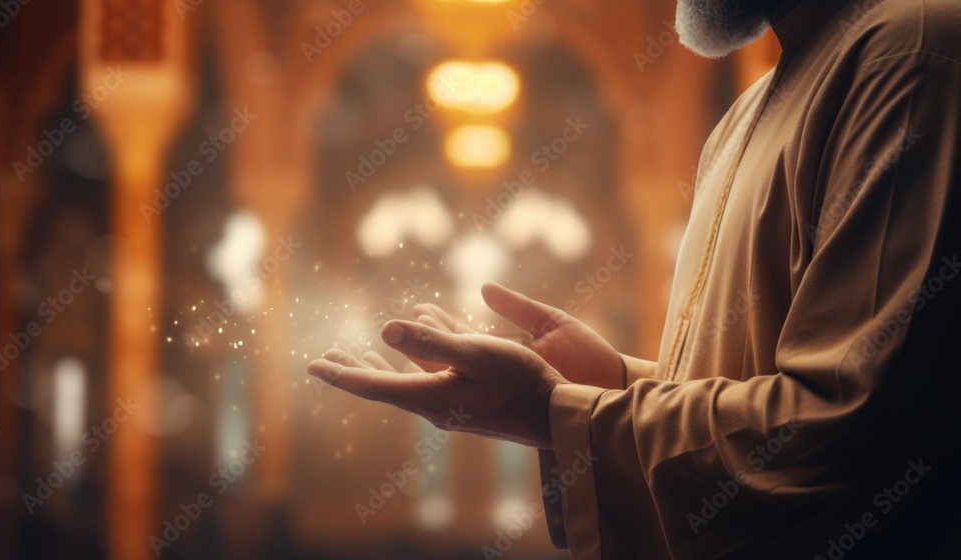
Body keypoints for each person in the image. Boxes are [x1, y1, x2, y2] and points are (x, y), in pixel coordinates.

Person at [309, 0, 961, 557]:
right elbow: (753, 387)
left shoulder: (910, 55)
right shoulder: (749, 111)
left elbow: (851, 437)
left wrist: (553, 410)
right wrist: (613, 384)